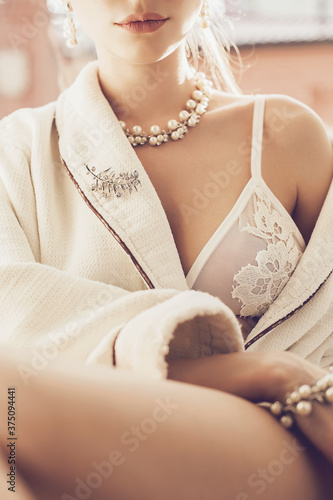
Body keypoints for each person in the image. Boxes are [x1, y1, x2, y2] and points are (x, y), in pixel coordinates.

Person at [0, 0, 332, 498]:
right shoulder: (18, 153)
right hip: (89, 450)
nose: (136, 1)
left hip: (286, 441)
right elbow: (19, 317)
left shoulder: (287, 134)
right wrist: (263, 371)